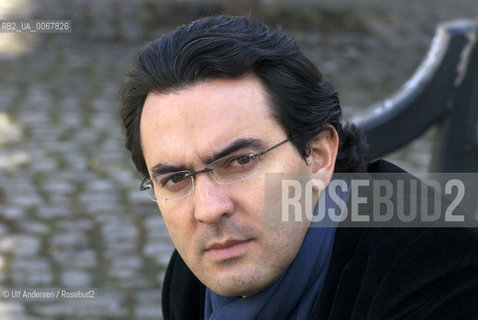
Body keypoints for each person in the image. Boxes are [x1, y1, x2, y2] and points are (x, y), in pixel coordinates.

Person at [119, 15, 478, 320]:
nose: (210, 210)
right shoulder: (190, 281)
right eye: (176, 179)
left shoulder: (443, 275)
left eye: (240, 161)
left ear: (319, 156)